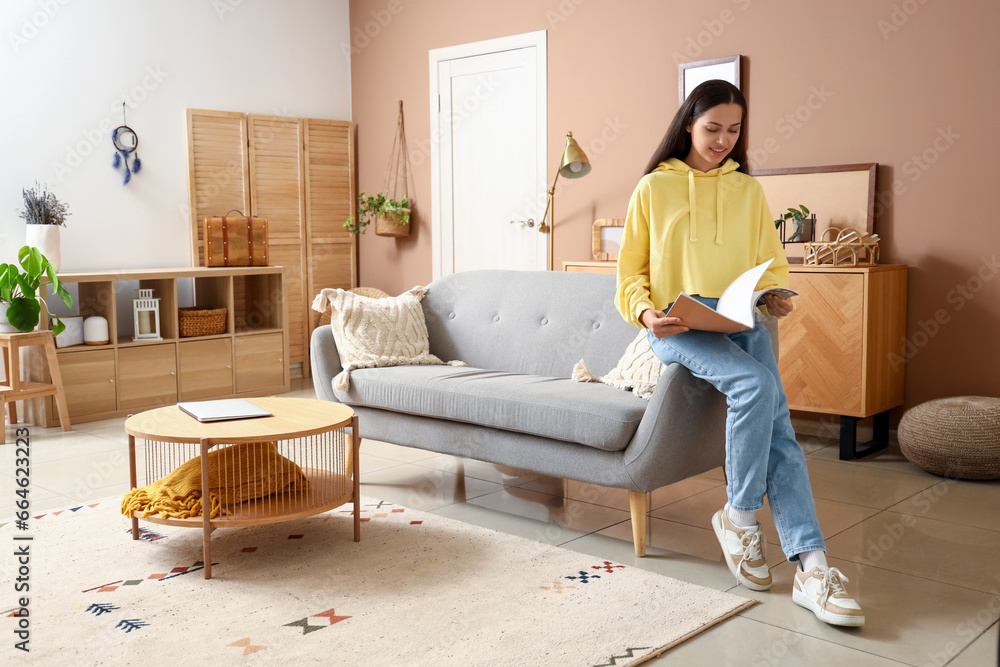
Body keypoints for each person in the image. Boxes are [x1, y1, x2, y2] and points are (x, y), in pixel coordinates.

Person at [614, 79, 864, 628]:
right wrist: (647, 313)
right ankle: (739, 515)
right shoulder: (652, 188)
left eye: (734, 130)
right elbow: (630, 274)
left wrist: (773, 293)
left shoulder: (748, 191)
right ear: (688, 123)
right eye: (712, 128)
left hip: (739, 313)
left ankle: (812, 565)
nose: (723, 140)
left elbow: (770, 262)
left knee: (780, 428)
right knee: (755, 386)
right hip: (677, 322)